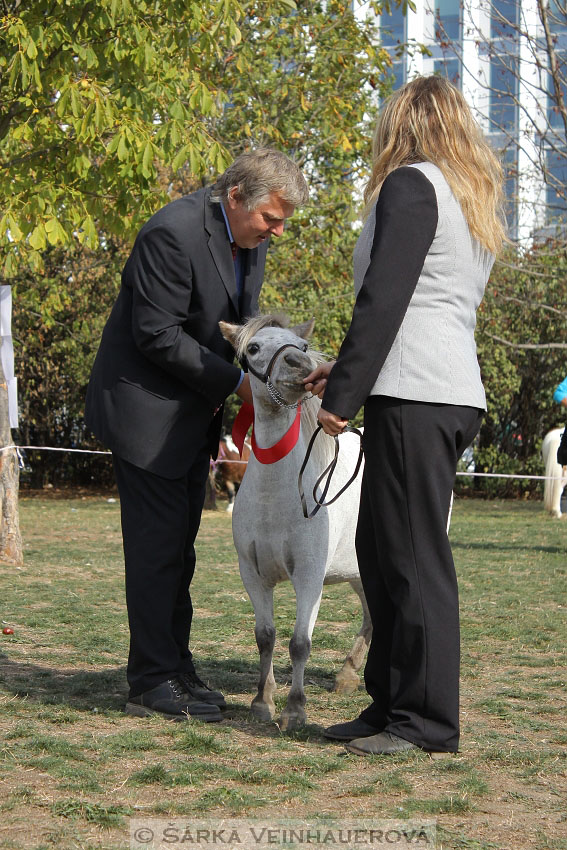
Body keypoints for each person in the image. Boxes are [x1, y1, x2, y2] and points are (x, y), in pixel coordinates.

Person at [304, 76, 506, 755]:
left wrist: (340, 398)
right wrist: (351, 371)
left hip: (417, 392)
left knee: (413, 558)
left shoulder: (412, 185)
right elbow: (424, 303)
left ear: (403, 124)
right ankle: (390, 704)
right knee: (383, 552)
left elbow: (384, 300)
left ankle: (423, 723)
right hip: (431, 386)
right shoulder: (463, 195)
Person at [85, 148, 309, 721]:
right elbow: (157, 334)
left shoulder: (247, 243)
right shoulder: (170, 233)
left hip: (190, 420)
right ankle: (150, 683)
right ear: (236, 197)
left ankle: (176, 669)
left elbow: (239, 329)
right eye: (271, 219)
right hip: (147, 418)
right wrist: (238, 384)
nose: (277, 232)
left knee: (178, 551)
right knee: (157, 551)